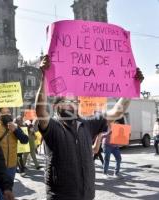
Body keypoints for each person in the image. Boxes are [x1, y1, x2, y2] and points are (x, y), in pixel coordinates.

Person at [35, 55, 144, 200]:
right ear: (56, 106)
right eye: (68, 100)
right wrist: (44, 77)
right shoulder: (53, 127)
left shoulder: (88, 123)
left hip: (87, 195)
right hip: (61, 196)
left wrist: (132, 86)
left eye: (75, 100)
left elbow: (117, 111)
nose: (73, 103)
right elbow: (40, 111)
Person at [0, 107, 28, 200]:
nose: (7, 114)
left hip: (12, 166)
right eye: (4, 113)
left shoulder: (15, 126)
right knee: (0, 193)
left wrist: (15, 130)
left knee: (8, 192)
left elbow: (25, 140)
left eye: (8, 112)